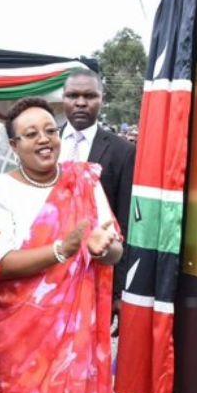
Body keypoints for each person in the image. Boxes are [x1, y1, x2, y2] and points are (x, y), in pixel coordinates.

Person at [0, 97, 121, 393]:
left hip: (71, 341)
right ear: (13, 144)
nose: (43, 139)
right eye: (30, 134)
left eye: (49, 131)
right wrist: (63, 248)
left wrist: (101, 250)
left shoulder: (84, 182)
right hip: (18, 341)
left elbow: (112, 252)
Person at [58, 69, 135, 309]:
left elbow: (125, 220)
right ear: (63, 98)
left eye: (89, 96)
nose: (80, 102)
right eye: (73, 96)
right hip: (46, 265)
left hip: (95, 270)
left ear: (102, 99)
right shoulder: (45, 142)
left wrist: (118, 292)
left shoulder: (122, 151)